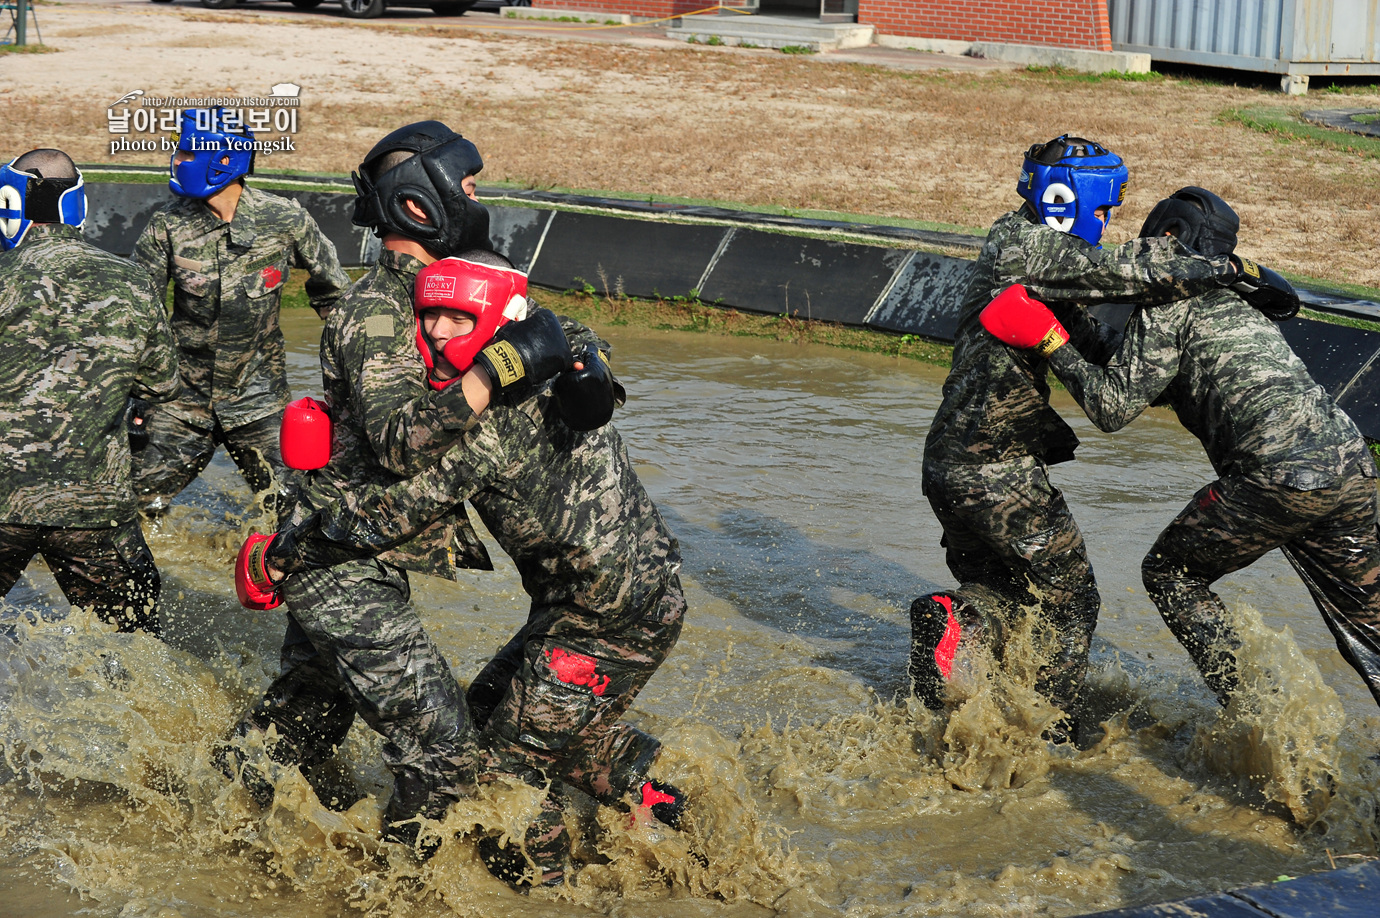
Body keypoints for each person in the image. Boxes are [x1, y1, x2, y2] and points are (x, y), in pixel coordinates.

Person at [216, 121, 599, 862]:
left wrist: (581, 357)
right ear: (423, 201)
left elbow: (531, 332)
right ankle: (390, 893)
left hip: (364, 549)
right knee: (446, 757)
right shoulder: (374, 312)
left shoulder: (445, 294)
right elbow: (397, 438)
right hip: (341, 562)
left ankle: (204, 822)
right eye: (472, 184)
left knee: (303, 722)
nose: (480, 198)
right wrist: (499, 371)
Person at [239, 254, 686, 888]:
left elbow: (393, 513)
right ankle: (670, 815)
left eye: (458, 316)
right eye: (430, 315)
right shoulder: (542, 361)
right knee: (500, 721)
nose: (440, 333)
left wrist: (283, 553)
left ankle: (547, 893)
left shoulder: (493, 419)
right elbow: (583, 351)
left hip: (611, 619)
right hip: (591, 606)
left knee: (504, 781)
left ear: (502, 325)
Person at [912, 135, 1295, 726]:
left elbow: (1097, 347)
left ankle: (953, 643)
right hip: (999, 471)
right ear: (1073, 197)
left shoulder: (1024, 252)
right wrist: (1232, 270)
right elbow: (1128, 270)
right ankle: (1052, 730)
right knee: (1074, 601)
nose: (1109, 220)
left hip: (950, 469)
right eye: (1105, 209)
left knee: (1004, 590)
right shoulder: (1035, 251)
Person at [979, 187, 1380, 711]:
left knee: (1171, 574)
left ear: (1168, 237)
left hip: (1276, 477)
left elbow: (1111, 407)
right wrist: (1079, 329)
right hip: (1352, 467)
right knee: (1370, 631)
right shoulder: (1239, 298)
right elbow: (1154, 371)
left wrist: (1050, 339)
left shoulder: (1168, 301)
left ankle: (1264, 722)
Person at [131, 108, 349, 519]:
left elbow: (335, 297)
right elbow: (139, 314)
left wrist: (353, 384)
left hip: (259, 399)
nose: (177, 160)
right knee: (129, 508)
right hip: (181, 402)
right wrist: (138, 394)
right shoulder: (167, 225)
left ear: (224, 162)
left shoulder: (284, 219)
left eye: (187, 153)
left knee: (298, 514)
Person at [0, 149, 181, 636]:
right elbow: (161, 382)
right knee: (137, 645)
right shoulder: (133, 281)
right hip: (93, 504)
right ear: (77, 204)